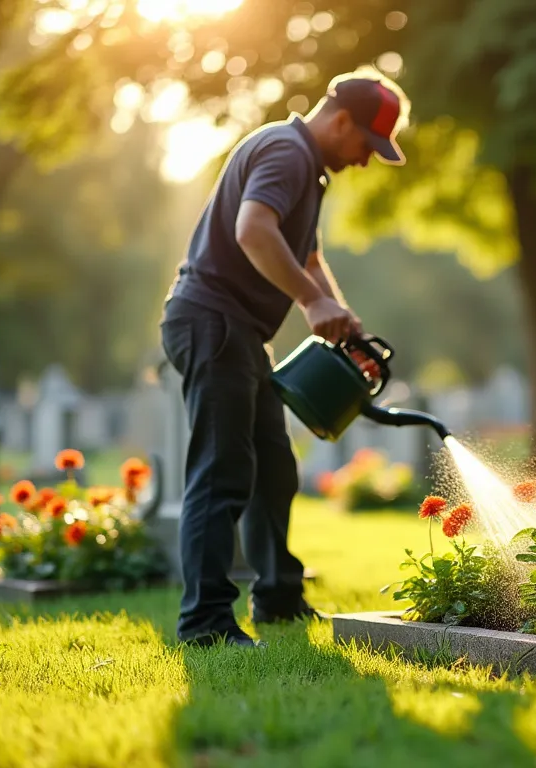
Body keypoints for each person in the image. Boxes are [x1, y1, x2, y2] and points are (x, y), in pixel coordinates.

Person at [158, 68, 410, 648]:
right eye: (365, 146)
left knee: (272, 467)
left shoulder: (306, 167)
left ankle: (277, 598)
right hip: (212, 322)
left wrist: (338, 315)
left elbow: (309, 255)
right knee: (221, 472)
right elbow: (253, 230)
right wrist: (310, 300)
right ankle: (204, 622)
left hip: (238, 331)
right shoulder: (286, 151)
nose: (365, 161)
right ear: (341, 120)